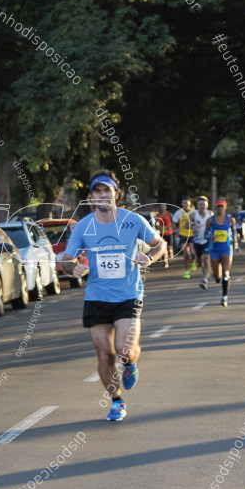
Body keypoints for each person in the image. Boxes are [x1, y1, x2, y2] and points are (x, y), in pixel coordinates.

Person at [61, 170, 165, 422]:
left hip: (129, 294)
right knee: (104, 354)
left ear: (116, 194)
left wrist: (149, 257)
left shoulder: (134, 221)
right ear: (90, 197)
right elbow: (65, 259)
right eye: (97, 191)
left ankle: (130, 363)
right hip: (96, 297)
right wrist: (72, 267)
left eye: (107, 190)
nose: (102, 195)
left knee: (124, 349)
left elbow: (160, 244)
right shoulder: (84, 226)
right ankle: (117, 401)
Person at [207, 199, 235, 307]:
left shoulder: (230, 219)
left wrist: (236, 242)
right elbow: (205, 234)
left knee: (226, 272)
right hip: (214, 249)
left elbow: (234, 233)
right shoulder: (210, 220)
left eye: (222, 206)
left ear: (225, 207)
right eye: (218, 206)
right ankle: (217, 278)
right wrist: (210, 237)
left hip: (226, 249)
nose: (220, 208)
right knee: (216, 275)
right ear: (215, 208)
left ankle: (225, 297)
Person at [191, 197, 213, 289]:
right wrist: (192, 227)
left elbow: (215, 225)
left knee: (206, 258)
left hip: (207, 240)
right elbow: (185, 225)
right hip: (197, 241)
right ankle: (206, 274)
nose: (202, 206)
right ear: (197, 205)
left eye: (204, 204)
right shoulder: (193, 214)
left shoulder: (210, 214)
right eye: (200, 204)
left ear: (207, 205)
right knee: (201, 261)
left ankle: (205, 280)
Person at [172, 198, 196, 278]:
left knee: (193, 253)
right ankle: (187, 271)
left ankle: (194, 261)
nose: (186, 205)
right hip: (183, 235)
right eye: (184, 203)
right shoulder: (178, 213)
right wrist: (175, 230)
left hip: (192, 235)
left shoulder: (194, 212)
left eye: (187, 203)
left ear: (190, 204)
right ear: (182, 204)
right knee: (186, 254)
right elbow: (174, 223)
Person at [155, 203, 173, 269]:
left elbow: (174, 223)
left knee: (169, 248)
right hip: (162, 233)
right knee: (164, 248)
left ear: (165, 207)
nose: (162, 208)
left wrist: (170, 227)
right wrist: (158, 227)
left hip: (169, 233)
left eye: (163, 206)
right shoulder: (157, 215)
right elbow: (155, 224)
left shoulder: (170, 214)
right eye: (161, 207)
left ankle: (170, 254)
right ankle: (166, 262)